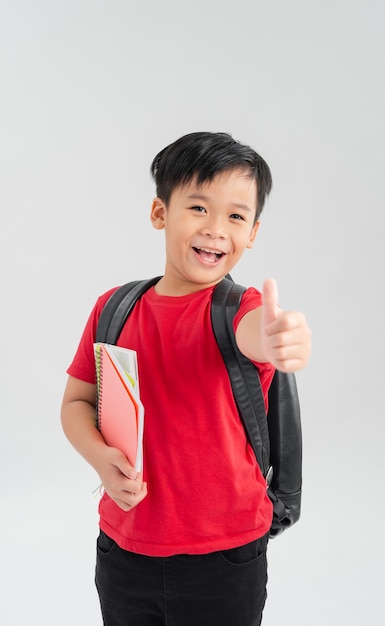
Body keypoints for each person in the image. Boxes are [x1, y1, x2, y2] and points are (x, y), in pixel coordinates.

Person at [61, 131, 311, 626]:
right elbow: (77, 403)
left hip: (227, 559)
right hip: (123, 551)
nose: (217, 229)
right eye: (198, 208)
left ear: (253, 232)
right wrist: (100, 460)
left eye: (236, 216)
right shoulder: (114, 308)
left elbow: (257, 336)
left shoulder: (242, 311)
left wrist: (280, 338)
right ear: (160, 214)